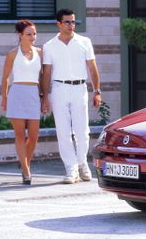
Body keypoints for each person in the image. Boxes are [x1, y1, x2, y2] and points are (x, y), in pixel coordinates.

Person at [41, 9, 102, 184]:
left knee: (82, 131)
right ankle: (71, 168)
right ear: (58, 24)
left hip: (79, 88)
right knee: (63, 132)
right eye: (67, 22)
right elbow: (46, 73)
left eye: (73, 22)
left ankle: (82, 163)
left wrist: (97, 91)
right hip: (59, 89)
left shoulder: (84, 42)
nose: (71, 25)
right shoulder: (49, 46)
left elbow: (92, 67)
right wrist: (45, 97)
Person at [1, 20, 43, 185]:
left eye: (34, 33)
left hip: (33, 94)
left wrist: (44, 98)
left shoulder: (40, 52)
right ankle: (26, 171)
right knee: (20, 135)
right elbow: (4, 78)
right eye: (29, 34)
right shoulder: (12, 54)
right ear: (20, 36)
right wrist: (4, 99)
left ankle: (24, 160)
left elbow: (42, 77)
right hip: (17, 94)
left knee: (33, 137)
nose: (33, 37)